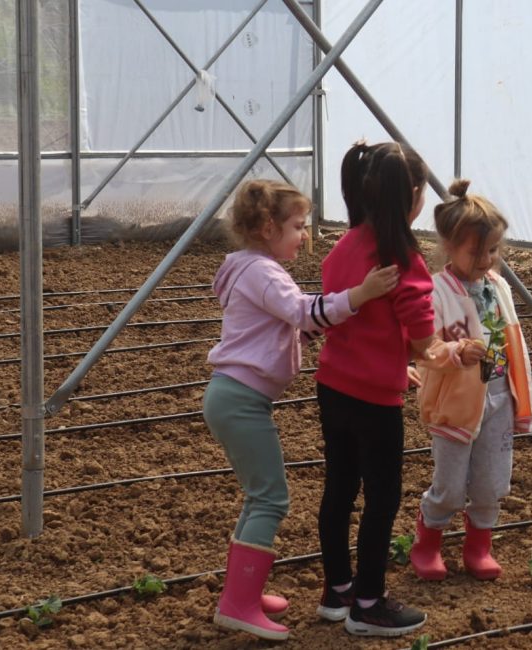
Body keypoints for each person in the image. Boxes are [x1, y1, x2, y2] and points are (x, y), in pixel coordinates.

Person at [204, 180, 398, 641]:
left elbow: (286, 330)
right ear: (268, 227)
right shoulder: (264, 273)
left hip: (234, 397)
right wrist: (361, 294)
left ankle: (242, 593)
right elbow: (306, 313)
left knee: (259, 495)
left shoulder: (249, 268)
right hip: (241, 400)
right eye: (297, 226)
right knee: (271, 498)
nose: (305, 235)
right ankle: (239, 603)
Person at [314, 141, 437, 637]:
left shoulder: (343, 247)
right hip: (375, 400)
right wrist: (441, 351)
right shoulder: (402, 257)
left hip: (334, 386)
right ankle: (369, 602)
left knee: (339, 487)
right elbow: (424, 338)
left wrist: (397, 355)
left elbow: (355, 318)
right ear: (410, 195)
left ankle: (338, 590)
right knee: (382, 497)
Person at [408, 179, 532, 582]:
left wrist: (518, 392)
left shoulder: (498, 287)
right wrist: (456, 351)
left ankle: (478, 546)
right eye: (476, 251)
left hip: (499, 392)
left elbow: (512, 338)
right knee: (449, 482)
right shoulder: (436, 292)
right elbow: (425, 348)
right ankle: (426, 544)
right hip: (456, 400)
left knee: (491, 480)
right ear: (448, 245)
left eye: (493, 250)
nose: (486, 259)